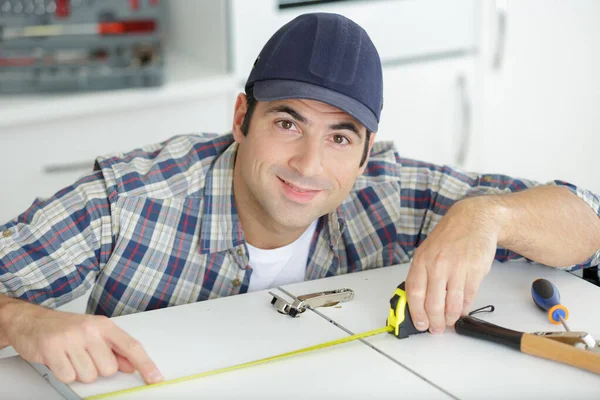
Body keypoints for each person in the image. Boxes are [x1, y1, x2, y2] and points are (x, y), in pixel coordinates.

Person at [1, 12, 599, 386]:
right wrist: (24, 319)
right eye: (287, 123)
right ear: (242, 118)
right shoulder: (130, 201)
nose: (310, 165)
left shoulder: (390, 193)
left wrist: (485, 215)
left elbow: (588, 222)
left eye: (339, 137)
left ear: (366, 153)